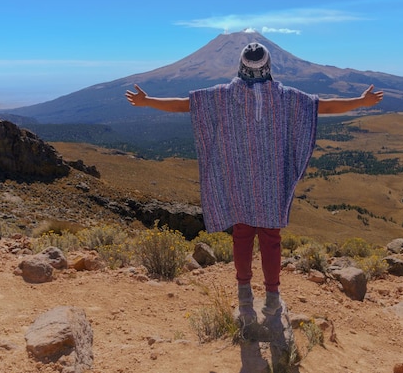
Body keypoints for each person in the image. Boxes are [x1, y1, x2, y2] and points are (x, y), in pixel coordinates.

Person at [125, 42, 383, 330]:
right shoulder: (285, 97)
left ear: (240, 65)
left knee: (242, 236)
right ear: (269, 65)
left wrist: (148, 101)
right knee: (271, 240)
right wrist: (360, 101)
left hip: (238, 182)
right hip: (271, 185)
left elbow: (185, 104)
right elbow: (324, 106)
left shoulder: (223, 96)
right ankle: (272, 300)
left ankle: (245, 300)